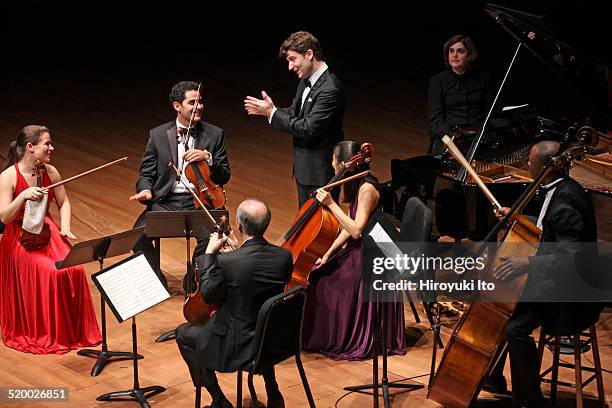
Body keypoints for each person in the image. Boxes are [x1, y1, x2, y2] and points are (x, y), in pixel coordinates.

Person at [486, 140, 602, 406]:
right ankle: (494, 376)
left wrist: (527, 264)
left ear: (545, 168)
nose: (527, 163)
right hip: (559, 283)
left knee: (515, 327)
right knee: (506, 304)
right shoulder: (562, 188)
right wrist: (516, 218)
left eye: (530, 160)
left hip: (571, 296)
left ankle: (530, 400)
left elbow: (568, 259)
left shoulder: (565, 205)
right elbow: (546, 230)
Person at [175, 198, 293, 408]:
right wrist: (238, 252)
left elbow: (210, 295)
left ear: (238, 226)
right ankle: (273, 390)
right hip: (271, 341)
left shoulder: (227, 262)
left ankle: (218, 399)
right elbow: (252, 276)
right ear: (267, 224)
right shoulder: (284, 257)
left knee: (183, 333)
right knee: (259, 317)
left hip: (238, 346)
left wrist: (210, 254)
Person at [0, 125, 101, 354]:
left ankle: (72, 332)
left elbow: (63, 202)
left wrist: (64, 227)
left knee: (73, 268)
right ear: (30, 147)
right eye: (46, 143)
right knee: (51, 272)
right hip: (20, 236)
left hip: (47, 231)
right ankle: (50, 333)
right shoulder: (8, 177)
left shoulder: (50, 171)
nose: (51, 147)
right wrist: (23, 197)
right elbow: (5, 217)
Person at [301, 140, 406, 360]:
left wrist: (331, 204)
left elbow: (357, 230)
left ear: (342, 164)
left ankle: (337, 337)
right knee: (318, 272)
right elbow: (349, 226)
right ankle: (322, 335)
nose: (331, 163)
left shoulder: (367, 189)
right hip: (360, 249)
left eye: (333, 159)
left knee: (327, 284)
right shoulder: (353, 184)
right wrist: (327, 254)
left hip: (374, 256)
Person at [130, 81, 230, 288]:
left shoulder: (214, 134)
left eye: (200, 102)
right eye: (192, 102)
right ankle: (157, 280)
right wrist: (146, 190)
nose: (199, 107)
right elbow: (146, 173)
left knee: (213, 236)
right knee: (137, 237)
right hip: (166, 201)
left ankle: (192, 279)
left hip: (201, 201)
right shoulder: (157, 135)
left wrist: (208, 158)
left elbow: (224, 176)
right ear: (177, 106)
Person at [244, 31, 345, 207]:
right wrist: (270, 111)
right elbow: (295, 112)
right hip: (305, 170)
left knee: (319, 228)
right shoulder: (306, 81)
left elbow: (308, 128)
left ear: (309, 54)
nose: (290, 66)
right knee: (304, 225)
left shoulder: (330, 89)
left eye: (292, 59)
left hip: (320, 175)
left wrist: (273, 113)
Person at [428, 34, 494, 156]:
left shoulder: (483, 77)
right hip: (449, 135)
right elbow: (435, 120)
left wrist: (482, 132)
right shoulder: (438, 80)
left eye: (460, 51)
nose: (454, 55)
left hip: (477, 134)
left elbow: (490, 111)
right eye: (451, 51)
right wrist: (452, 136)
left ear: (469, 55)